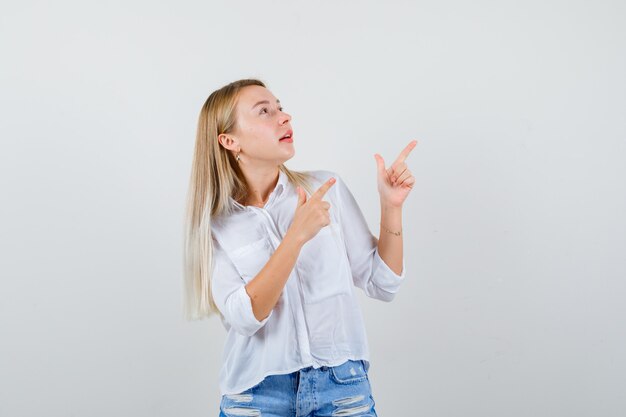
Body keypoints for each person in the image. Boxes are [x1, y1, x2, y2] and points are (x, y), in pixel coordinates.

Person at [183, 78, 417, 416]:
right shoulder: (216, 225)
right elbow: (246, 318)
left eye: (279, 107)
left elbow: (384, 283)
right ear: (229, 141)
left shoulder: (325, 188)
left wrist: (391, 206)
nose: (284, 117)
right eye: (264, 111)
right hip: (256, 397)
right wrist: (296, 236)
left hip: (342, 390)